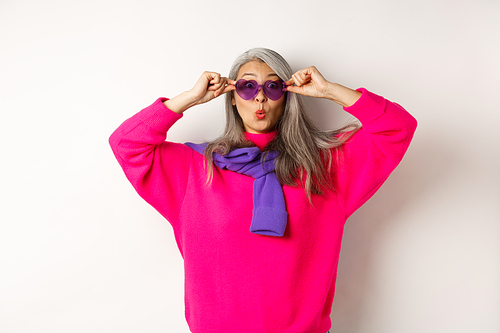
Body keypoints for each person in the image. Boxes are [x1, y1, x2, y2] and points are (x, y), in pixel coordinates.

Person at [109, 48, 417, 333]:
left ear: (286, 96)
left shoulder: (325, 168)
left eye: (272, 87)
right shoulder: (196, 168)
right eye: (247, 87)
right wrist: (188, 99)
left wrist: (328, 90)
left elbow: (397, 128)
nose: (260, 98)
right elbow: (127, 144)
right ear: (232, 96)